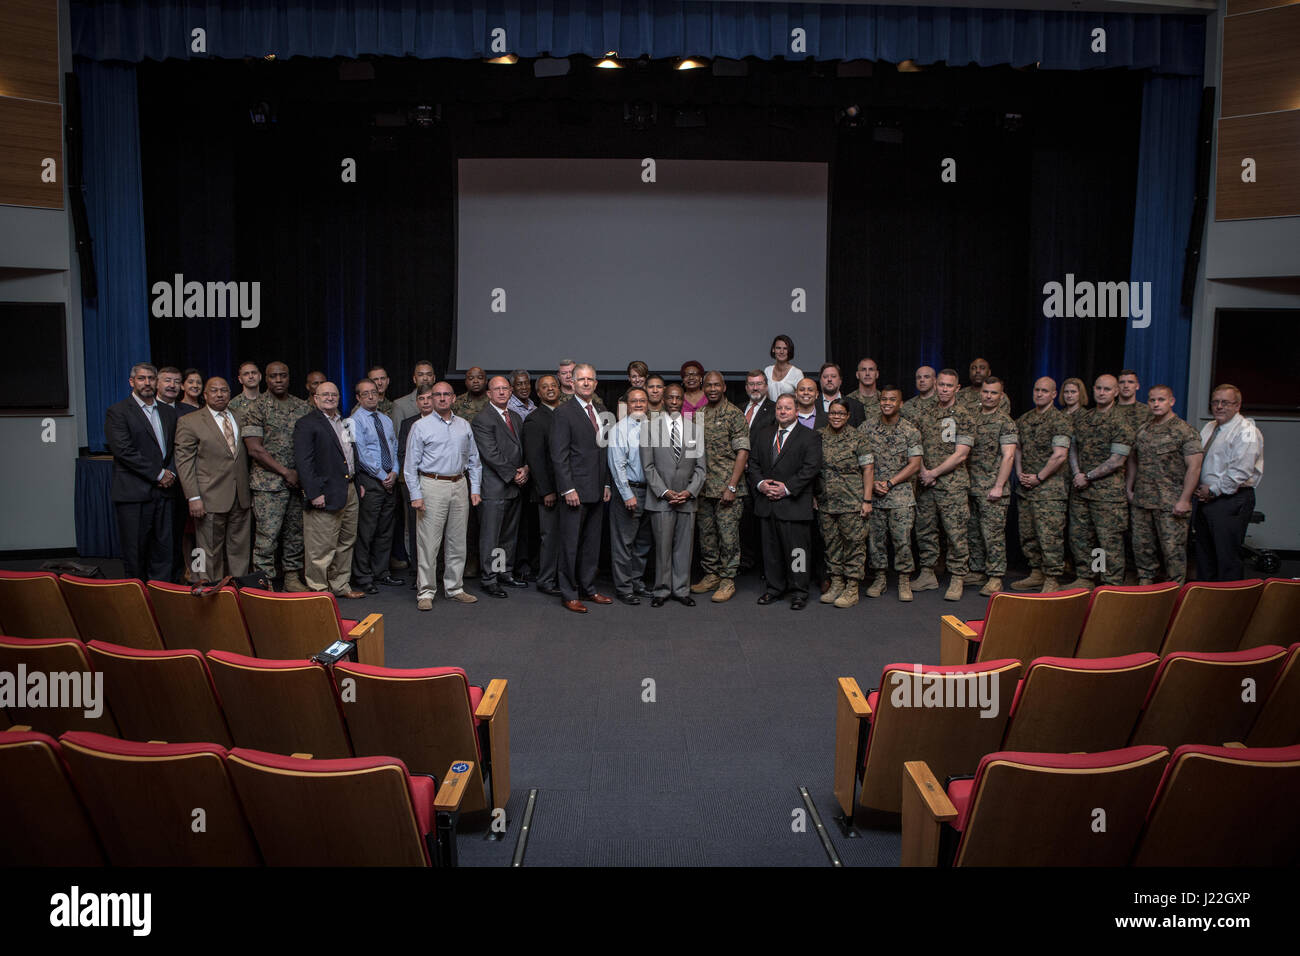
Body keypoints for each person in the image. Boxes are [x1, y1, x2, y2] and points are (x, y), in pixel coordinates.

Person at [404, 381, 483, 610]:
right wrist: (415, 495)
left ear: (453, 398)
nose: (441, 398)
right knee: (428, 543)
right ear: (431, 398)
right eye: (436, 395)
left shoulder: (464, 426)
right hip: (431, 485)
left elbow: (474, 461)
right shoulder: (421, 426)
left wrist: (475, 489)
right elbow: (410, 466)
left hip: (459, 484)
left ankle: (454, 588)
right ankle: (426, 592)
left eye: (445, 394)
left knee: (458, 541)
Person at [747, 394, 822, 610]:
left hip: (794, 505)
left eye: (787, 408)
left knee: (797, 552)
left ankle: (799, 592)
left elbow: (810, 468)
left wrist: (786, 488)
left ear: (796, 411)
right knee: (771, 553)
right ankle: (774, 589)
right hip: (767, 503)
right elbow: (752, 464)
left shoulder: (809, 436)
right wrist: (761, 484)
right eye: (779, 407)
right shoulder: (763, 434)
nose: (782, 411)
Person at [105, 363, 179, 581]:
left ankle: (162, 598)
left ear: (156, 382)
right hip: (134, 494)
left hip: (165, 493)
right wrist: (159, 474)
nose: (146, 383)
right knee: (135, 553)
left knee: (165, 551)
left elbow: (178, 447)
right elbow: (123, 451)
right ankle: (137, 603)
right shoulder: (117, 412)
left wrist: (171, 473)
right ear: (132, 382)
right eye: (141, 378)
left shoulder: (168, 412)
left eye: (150, 378)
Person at [242, 362, 312, 591]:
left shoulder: (301, 406)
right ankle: (264, 584)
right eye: (274, 376)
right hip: (268, 484)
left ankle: (291, 578)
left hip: (297, 484)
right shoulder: (257, 407)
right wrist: (285, 472)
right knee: (267, 537)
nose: (279, 380)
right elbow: (254, 449)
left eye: (283, 375)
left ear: (289, 378)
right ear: (266, 379)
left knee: (295, 534)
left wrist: (299, 474)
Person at [174, 377, 252, 579]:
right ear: (205, 395)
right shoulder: (190, 422)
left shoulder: (240, 416)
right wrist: (193, 497)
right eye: (214, 391)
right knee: (208, 549)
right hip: (208, 497)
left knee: (239, 549)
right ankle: (209, 590)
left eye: (224, 390)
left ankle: (238, 589)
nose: (219, 394)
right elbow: (184, 463)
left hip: (240, 496)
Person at [551, 363, 613, 612]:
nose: (586, 383)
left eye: (590, 379)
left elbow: (605, 451)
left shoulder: (600, 410)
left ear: (595, 384)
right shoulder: (563, 413)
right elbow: (558, 455)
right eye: (581, 379)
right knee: (569, 544)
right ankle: (568, 593)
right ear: (572, 383)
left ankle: (588, 589)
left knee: (591, 544)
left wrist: (607, 482)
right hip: (575, 491)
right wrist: (567, 489)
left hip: (598, 490)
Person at [1126, 385, 1203, 584]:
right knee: (1142, 547)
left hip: (1171, 502)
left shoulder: (1185, 431)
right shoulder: (1143, 429)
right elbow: (1133, 458)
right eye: (1152, 400)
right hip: (1143, 500)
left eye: (1161, 400)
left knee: (1172, 550)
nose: (1156, 404)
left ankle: (1174, 590)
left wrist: (1185, 499)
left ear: (1172, 401)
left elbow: (1194, 467)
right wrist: (1129, 487)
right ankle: (1145, 583)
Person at [294, 382, 364, 600]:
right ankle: (318, 591)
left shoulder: (344, 422)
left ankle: (340, 585)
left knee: (345, 542)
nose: (330, 398)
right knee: (320, 547)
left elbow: (351, 454)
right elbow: (304, 463)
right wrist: (313, 493)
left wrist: (358, 481)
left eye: (334, 394)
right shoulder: (306, 424)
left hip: (349, 489)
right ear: (315, 398)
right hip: (324, 492)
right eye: (325, 394)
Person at [1066, 374, 1133, 588]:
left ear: (1115, 392)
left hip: (1107, 495)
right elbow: (1073, 447)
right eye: (1098, 388)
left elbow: (1117, 460)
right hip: (1081, 490)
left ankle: (1109, 583)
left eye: (1107, 389)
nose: (1102, 392)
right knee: (1083, 537)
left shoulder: (1122, 420)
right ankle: (1087, 578)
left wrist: (1087, 476)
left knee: (1107, 542)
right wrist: (1077, 473)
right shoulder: (1083, 418)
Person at [913, 369, 975, 601]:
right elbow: (915, 447)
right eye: (941, 385)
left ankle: (958, 576)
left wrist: (934, 473)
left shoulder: (965, 415)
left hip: (953, 485)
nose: (944, 389)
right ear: (935, 385)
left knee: (955, 531)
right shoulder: (925, 414)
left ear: (957, 388)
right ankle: (928, 573)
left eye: (949, 386)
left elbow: (961, 454)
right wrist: (923, 473)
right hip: (926, 484)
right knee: (925, 529)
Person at [642, 384, 706, 606]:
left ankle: (681, 590)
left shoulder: (695, 429)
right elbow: (648, 467)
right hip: (662, 500)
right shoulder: (649, 428)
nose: (675, 402)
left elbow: (701, 468)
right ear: (664, 400)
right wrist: (666, 492)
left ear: (682, 401)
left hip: (687, 499)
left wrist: (689, 492)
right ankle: (661, 590)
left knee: (684, 549)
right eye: (671, 398)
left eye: (679, 398)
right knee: (662, 548)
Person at [1193, 384, 1264, 582]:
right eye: (1215, 402)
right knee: (1205, 557)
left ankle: (1229, 607)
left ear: (1237, 405)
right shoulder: (1210, 427)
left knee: (1227, 558)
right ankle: (1206, 603)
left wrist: (1213, 490)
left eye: (1225, 402)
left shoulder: (1246, 431)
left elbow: (1240, 471)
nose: (1219, 406)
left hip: (1230, 499)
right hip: (1206, 499)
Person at [691, 372, 750, 603]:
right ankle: (711, 574)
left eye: (717, 385)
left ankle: (727, 580)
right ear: (703, 388)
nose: (712, 388)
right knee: (707, 536)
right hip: (704, 488)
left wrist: (732, 486)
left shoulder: (734, 414)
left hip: (727, 489)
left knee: (728, 537)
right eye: (708, 385)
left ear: (724, 387)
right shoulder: (699, 415)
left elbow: (743, 452)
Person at [861, 387, 923, 601]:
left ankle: (904, 580)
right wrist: (873, 485)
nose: (887, 403)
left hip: (900, 496)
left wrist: (890, 482)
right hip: (874, 495)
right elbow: (859, 458)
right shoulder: (867, 427)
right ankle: (880, 578)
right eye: (884, 399)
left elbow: (915, 464)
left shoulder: (910, 430)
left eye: (892, 399)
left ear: (901, 403)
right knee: (875, 541)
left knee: (902, 540)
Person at [1012, 377, 1072, 592]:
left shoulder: (1060, 421)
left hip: (1049, 489)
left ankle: (1052, 577)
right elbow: (1017, 449)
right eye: (1036, 390)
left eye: (1044, 391)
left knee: (1049, 535)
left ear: (1054, 394)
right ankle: (1036, 572)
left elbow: (1060, 456)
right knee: (1028, 534)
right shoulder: (1025, 419)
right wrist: (1019, 473)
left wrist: (1039, 477)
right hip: (1026, 487)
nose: (1039, 394)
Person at [471, 376, 529, 598]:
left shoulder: (515, 416)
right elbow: (490, 454)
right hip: (495, 487)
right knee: (491, 536)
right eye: (497, 389)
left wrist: (526, 468)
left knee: (508, 535)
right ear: (489, 393)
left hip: (514, 486)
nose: (502, 392)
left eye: (506, 388)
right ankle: (490, 579)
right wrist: (514, 474)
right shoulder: (482, 419)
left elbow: (523, 448)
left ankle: (504, 572)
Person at [815, 399, 873, 607]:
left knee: (854, 544)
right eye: (833, 413)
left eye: (841, 413)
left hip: (852, 501)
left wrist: (867, 500)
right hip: (827, 502)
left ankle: (852, 587)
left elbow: (868, 469)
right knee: (831, 545)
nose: (836, 417)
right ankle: (837, 582)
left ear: (848, 416)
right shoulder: (820, 436)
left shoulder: (858, 438)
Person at [349, 378, 404, 594]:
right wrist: (383, 476)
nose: (371, 396)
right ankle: (363, 576)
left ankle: (382, 572)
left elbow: (394, 447)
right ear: (358, 397)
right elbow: (360, 455)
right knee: (367, 531)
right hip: (371, 481)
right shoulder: (354, 421)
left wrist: (395, 472)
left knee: (385, 529)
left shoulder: (386, 419)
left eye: (374, 392)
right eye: (366, 393)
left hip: (390, 479)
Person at [964, 377, 1018, 596]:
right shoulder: (972, 418)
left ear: (1001, 396)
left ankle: (995, 576)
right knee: (974, 532)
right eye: (986, 392)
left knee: (992, 534)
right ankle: (977, 570)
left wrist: (999, 485)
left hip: (993, 488)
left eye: (993, 393)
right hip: (972, 485)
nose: (988, 396)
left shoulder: (1006, 422)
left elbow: (1009, 456)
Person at [607, 388, 654, 604]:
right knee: (624, 543)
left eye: (642, 401)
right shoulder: (619, 429)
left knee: (642, 542)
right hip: (630, 492)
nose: (638, 404)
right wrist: (627, 494)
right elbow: (617, 465)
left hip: (650, 492)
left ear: (647, 404)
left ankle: (637, 583)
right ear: (627, 404)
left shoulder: (653, 428)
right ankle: (624, 588)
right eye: (634, 401)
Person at [524, 375, 563, 597]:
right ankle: (546, 579)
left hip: (566, 489)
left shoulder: (565, 413)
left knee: (563, 536)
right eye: (544, 387)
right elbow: (535, 459)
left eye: (553, 386)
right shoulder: (535, 420)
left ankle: (560, 577)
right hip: (548, 491)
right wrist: (546, 490)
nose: (550, 389)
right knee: (549, 537)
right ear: (537, 393)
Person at [397, 384, 436, 582]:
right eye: (422, 399)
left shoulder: (445, 422)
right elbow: (404, 455)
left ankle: (436, 571)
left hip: (438, 484)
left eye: (430, 397)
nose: (426, 402)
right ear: (417, 402)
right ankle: (416, 572)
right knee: (415, 529)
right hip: (414, 483)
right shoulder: (408, 424)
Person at [739, 370, 775, 572]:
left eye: (759, 384)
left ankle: (764, 565)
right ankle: (746, 561)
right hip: (740, 475)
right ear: (746, 387)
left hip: (761, 472)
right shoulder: (739, 408)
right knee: (744, 520)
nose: (755, 387)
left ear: (766, 386)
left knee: (763, 520)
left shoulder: (773, 410)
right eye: (751, 384)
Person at [389, 361, 437, 431]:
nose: (425, 378)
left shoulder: (441, 401)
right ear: (414, 379)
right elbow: (399, 437)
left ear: (434, 378)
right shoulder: (400, 405)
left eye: (429, 375)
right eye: (420, 375)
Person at [764, 334, 802, 402]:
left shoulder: (797, 373)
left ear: (789, 351)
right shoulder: (767, 371)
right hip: (770, 411)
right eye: (778, 348)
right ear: (773, 350)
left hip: (788, 411)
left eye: (785, 348)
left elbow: (801, 398)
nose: (781, 352)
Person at [845, 357, 881, 421]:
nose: (867, 373)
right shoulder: (848, 401)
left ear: (877, 374)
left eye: (871, 369)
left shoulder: (884, 400)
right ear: (857, 375)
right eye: (863, 370)